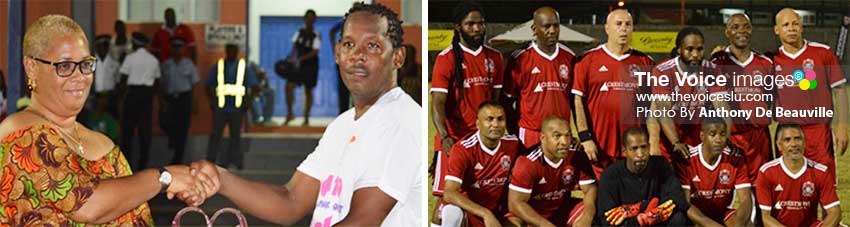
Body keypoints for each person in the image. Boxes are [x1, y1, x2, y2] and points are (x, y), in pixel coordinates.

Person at [190, 4, 421, 226]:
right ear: (338, 52)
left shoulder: (401, 121)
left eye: (372, 46)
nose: (357, 55)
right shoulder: (342, 125)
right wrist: (220, 179)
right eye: (349, 44)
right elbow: (290, 201)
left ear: (398, 57)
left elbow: (363, 221)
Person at [0, 14, 215, 226]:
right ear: (31, 67)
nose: (79, 77)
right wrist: (164, 178)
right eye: (64, 66)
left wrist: (188, 183)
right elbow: (87, 205)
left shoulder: (104, 145)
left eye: (85, 64)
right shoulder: (20, 135)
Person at [429, 2, 504, 226]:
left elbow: (497, 102)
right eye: (470, 24)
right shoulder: (447, 58)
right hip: (455, 140)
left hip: (485, 141)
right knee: (446, 203)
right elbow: (438, 103)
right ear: (458, 27)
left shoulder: (496, 58)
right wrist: (444, 138)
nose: (476, 28)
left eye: (480, 23)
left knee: (482, 197)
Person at [572, 9, 655, 178]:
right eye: (618, 24)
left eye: (628, 24)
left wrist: (652, 141)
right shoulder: (588, 60)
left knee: (633, 201)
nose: (623, 28)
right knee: (605, 200)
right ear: (607, 28)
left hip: (634, 149)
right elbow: (578, 100)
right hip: (599, 146)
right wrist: (585, 137)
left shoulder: (645, 62)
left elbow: (652, 106)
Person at [772, 8, 848, 176]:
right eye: (785, 25)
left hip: (819, 132)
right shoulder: (771, 60)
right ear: (777, 30)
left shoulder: (822, 53)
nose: (791, 28)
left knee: (824, 187)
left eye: (795, 24)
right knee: (791, 188)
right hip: (787, 133)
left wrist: (843, 125)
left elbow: (840, 89)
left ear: (802, 27)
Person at [709, 13, 774, 182]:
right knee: (727, 190)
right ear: (727, 32)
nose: (741, 31)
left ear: (751, 30)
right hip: (731, 137)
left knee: (761, 190)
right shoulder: (717, 63)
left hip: (759, 140)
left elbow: (770, 99)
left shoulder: (765, 63)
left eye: (746, 26)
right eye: (735, 27)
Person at [505, 6, 575, 149]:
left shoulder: (570, 57)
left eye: (556, 26)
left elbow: (576, 102)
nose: (552, 31)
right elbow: (506, 102)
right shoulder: (520, 58)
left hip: (561, 137)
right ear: (534, 29)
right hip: (530, 135)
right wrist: (515, 133)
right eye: (546, 26)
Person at [507, 115, 597, 227]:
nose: (564, 142)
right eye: (557, 136)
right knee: (512, 223)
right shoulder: (527, 162)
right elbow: (515, 204)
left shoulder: (576, 154)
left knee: (593, 213)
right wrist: (544, 224)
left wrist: (587, 217)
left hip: (560, 210)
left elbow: (590, 189)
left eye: (568, 135)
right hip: (532, 214)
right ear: (543, 138)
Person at [443, 101, 520, 227]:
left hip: (498, 212)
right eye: (489, 119)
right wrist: (485, 214)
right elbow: (449, 193)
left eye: (500, 119)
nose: (495, 124)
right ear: (478, 124)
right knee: (451, 213)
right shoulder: (463, 149)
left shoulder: (513, 145)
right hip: (471, 211)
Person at [597, 127, 688, 226]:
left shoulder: (661, 164)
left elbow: (679, 199)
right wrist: (640, 220)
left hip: (656, 221)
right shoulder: (610, 175)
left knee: (679, 218)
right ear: (624, 151)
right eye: (634, 148)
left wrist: (646, 211)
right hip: (629, 225)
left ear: (649, 147)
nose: (640, 154)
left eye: (644, 147)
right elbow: (606, 220)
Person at [756, 122, 842, 227]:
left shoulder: (820, 172)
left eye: (798, 139)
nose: (794, 144)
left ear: (804, 142)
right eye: (787, 140)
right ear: (779, 145)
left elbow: (835, 212)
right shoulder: (766, 172)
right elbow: (766, 217)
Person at [649, 27, 713, 161]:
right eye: (689, 49)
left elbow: (721, 106)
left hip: (695, 138)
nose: (695, 54)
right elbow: (659, 112)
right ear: (679, 50)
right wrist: (669, 143)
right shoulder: (662, 72)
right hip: (668, 140)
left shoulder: (710, 70)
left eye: (699, 49)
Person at [678, 117, 753, 226]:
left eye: (722, 134)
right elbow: (686, 204)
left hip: (722, 213)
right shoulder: (687, 160)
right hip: (698, 217)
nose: (718, 140)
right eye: (712, 135)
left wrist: (739, 225)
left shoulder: (735, 159)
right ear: (702, 136)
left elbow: (746, 200)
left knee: (747, 224)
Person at [205, 43, 258, 169]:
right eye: (229, 51)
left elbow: (255, 87)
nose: (231, 53)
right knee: (216, 134)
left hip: (237, 108)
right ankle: (210, 160)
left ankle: (236, 161)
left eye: (234, 51)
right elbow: (208, 85)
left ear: (237, 52)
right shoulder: (219, 66)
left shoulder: (243, 67)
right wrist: (212, 101)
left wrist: (248, 103)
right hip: (220, 108)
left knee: (235, 136)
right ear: (226, 51)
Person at [119, 32, 160, 170]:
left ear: (135, 43)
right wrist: (151, 96)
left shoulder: (129, 58)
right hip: (146, 96)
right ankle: (143, 166)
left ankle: (127, 165)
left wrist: (121, 98)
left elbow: (123, 80)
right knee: (145, 133)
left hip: (132, 94)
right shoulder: (153, 60)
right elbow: (157, 81)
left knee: (127, 132)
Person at [160, 37, 199, 164]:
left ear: (183, 49)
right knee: (166, 123)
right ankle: (173, 142)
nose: (177, 50)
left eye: (179, 47)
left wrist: (194, 102)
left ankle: (178, 158)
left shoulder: (189, 64)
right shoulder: (166, 64)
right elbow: (160, 83)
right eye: (174, 47)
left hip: (184, 98)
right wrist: (162, 101)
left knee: (182, 128)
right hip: (170, 99)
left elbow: (194, 84)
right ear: (171, 48)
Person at [284, 9, 321, 126]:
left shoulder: (316, 34)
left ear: (314, 20)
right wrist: (290, 57)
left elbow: (315, 51)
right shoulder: (299, 32)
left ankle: (306, 117)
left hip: (311, 66)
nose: (309, 20)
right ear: (305, 19)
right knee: (289, 86)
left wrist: (300, 59)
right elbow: (294, 47)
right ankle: (290, 114)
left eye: (312, 18)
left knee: (308, 90)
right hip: (299, 66)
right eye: (307, 18)